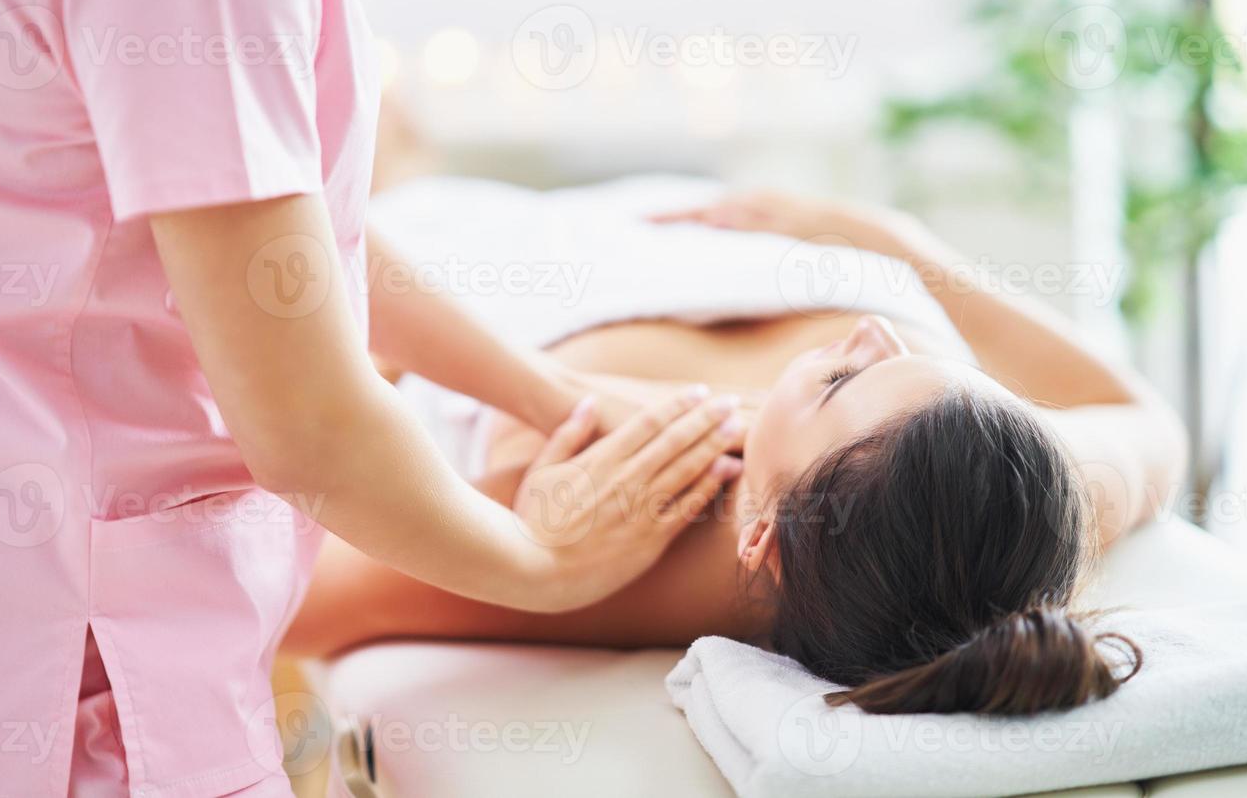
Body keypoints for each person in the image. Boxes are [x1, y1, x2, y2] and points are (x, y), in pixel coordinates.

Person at [0, 0, 740, 794]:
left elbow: (270, 241)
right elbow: (306, 425)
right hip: (81, 686)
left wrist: (555, 397)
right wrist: (544, 562)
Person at [287, 187, 1189, 716]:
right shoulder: (1025, 483)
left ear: (762, 536)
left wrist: (537, 560)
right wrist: (879, 236)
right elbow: (1143, 413)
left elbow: (294, 599)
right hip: (646, 212)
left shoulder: (653, 515)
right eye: (938, 365)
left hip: (416, 259)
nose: (876, 332)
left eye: (841, 384)